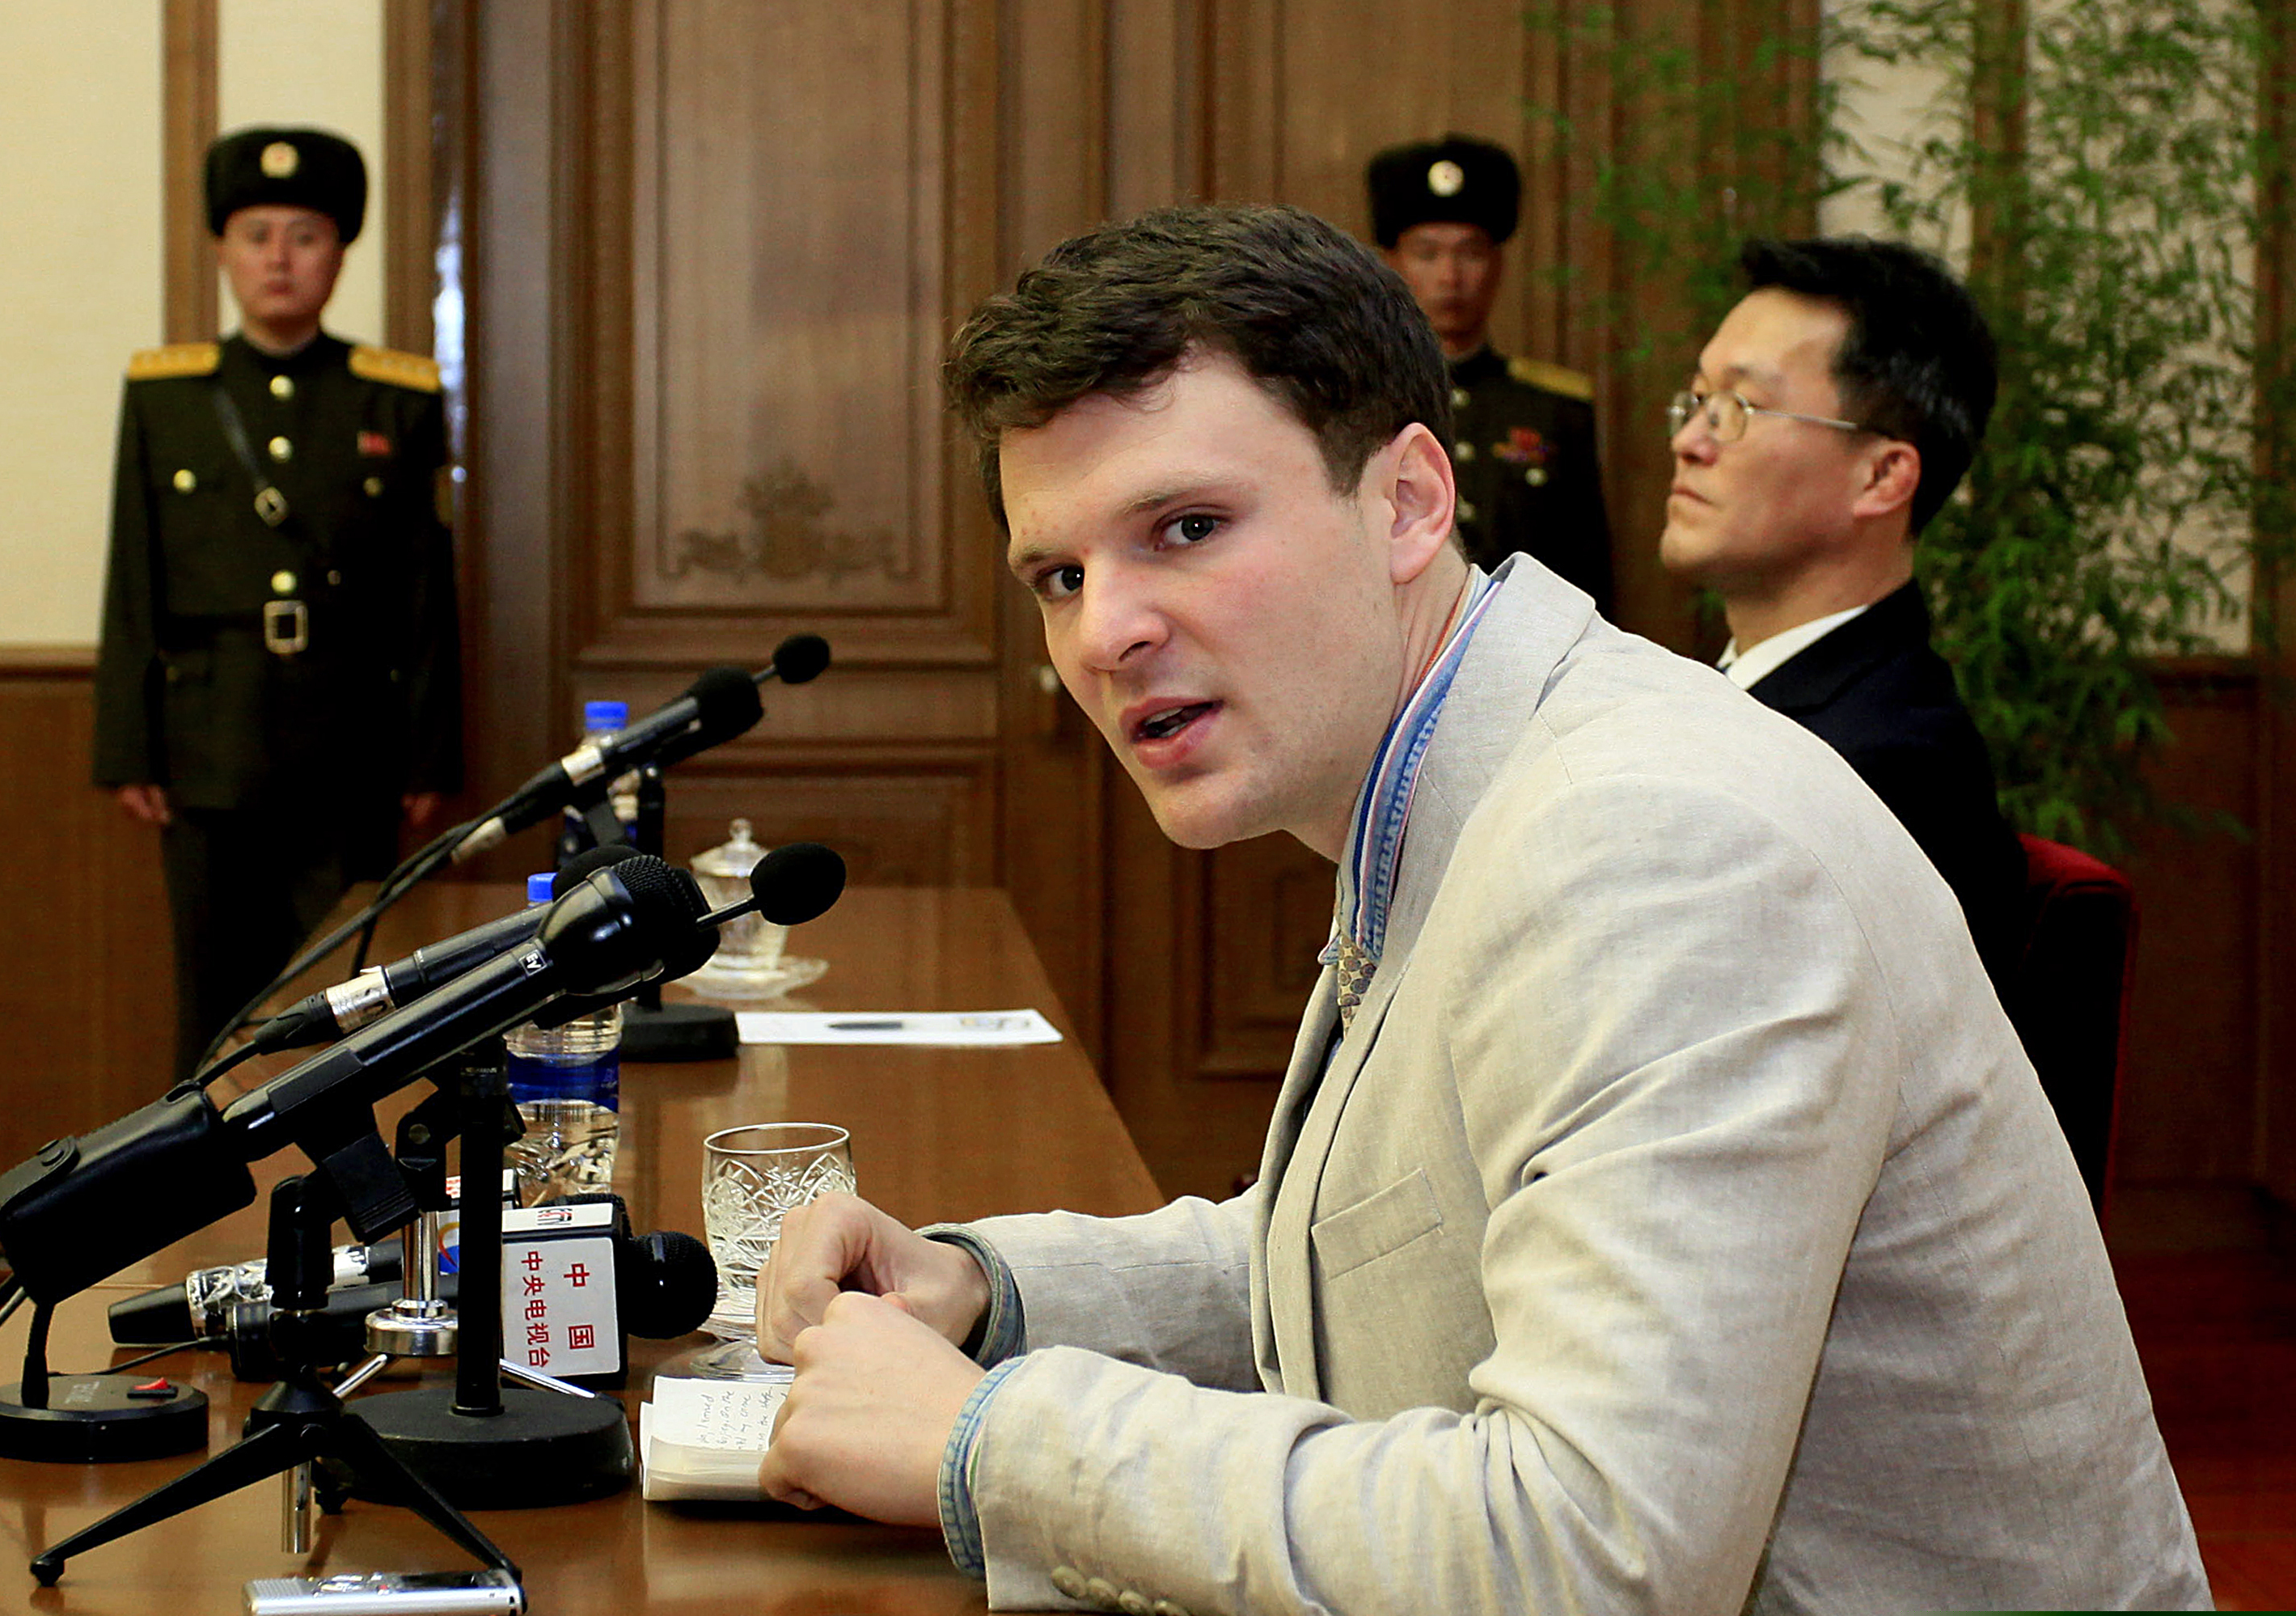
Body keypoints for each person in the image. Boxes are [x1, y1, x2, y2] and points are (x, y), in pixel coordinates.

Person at [745, 204, 2207, 1614]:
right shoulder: (1464, 766)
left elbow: (1591, 1555)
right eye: (1058, 573)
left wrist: (991, 1439)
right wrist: (990, 1291)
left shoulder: (1649, 842)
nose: (1104, 629)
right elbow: (1369, 1249)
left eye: (1185, 526)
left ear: (1408, 501)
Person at [91, 126, 463, 1077]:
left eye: (305, 235)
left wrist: (429, 750)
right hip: (207, 745)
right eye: (257, 234)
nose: (279, 258)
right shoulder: (168, 396)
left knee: (355, 1000)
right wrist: (130, 744)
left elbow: (426, 591)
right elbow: (133, 575)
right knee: (214, 1006)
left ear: (339, 254)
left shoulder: (396, 398)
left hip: (352, 746)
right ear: (222, 250)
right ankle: (205, 1218)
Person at [1660, 237, 2024, 996]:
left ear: (1883, 475)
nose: (1689, 441)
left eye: (1739, 408)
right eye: (1697, 400)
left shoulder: (1887, 766)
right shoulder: (1708, 700)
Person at [1368, 134, 1614, 612]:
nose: (1450, 276)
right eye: (1426, 253)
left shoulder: (1554, 408)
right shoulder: (1358, 402)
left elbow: (1589, 580)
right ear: (1392, 262)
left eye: (1471, 252)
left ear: (1499, 263)